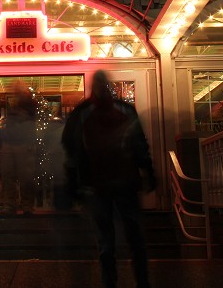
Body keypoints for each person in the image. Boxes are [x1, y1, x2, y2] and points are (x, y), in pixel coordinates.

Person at [62, 70, 156, 288]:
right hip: (126, 181)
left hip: (97, 184)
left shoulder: (82, 113)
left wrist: (74, 184)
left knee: (105, 241)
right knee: (136, 239)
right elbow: (139, 145)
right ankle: (142, 282)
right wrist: (148, 172)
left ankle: (110, 283)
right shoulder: (125, 109)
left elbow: (72, 150)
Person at [0, 80, 38, 215]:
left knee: (19, 175)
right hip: (17, 142)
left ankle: (15, 204)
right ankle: (20, 204)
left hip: (18, 143)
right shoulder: (25, 105)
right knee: (15, 175)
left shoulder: (27, 105)